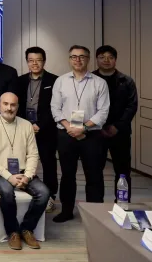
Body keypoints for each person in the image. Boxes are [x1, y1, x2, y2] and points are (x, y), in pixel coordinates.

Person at [50, 45, 110, 223]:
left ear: (88, 59)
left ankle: (95, 214)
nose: (77, 60)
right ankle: (67, 211)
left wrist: (83, 127)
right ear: (69, 59)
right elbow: (55, 108)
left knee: (94, 175)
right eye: (74, 56)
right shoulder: (61, 81)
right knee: (67, 174)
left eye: (82, 56)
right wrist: (68, 126)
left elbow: (103, 112)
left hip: (91, 136)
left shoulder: (99, 83)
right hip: (66, 134)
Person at [0, 93, 49, 249]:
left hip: (23, 171)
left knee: (44, 193)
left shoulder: (26, 125)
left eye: (13, 105)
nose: (9, 108)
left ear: (18, 107)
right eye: (5, 104)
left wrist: (27, 176)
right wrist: (9, 177)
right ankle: (13, 232)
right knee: (7, 192)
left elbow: (33, 154)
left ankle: (27, 229)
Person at [14, 47, 59, 212]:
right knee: (24, 162)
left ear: (44, 61)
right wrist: (26, 125)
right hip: (24, 129)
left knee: (48, 163)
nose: (34, 63)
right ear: (27, 62)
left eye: (38, 60)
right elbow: (17, 106)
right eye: (31, 60)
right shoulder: (20, 81)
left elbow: (55, 107)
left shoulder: (54, 81)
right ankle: (28, 190)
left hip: (45, 130)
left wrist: (40, 124)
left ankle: (50, 196)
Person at [94, 45, 138, 201]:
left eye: (110, 57)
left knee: (122, 171)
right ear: (97, 59)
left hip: (120, 133)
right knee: (94, 171)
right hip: (95, 133)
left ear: (115, 60)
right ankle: (96, 203)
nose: (106, 60)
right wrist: (97, 126)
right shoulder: (90, 79)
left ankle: (122, 202)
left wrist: (117, 126)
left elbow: (132, 106)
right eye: (102, 57)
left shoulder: (126, 81)